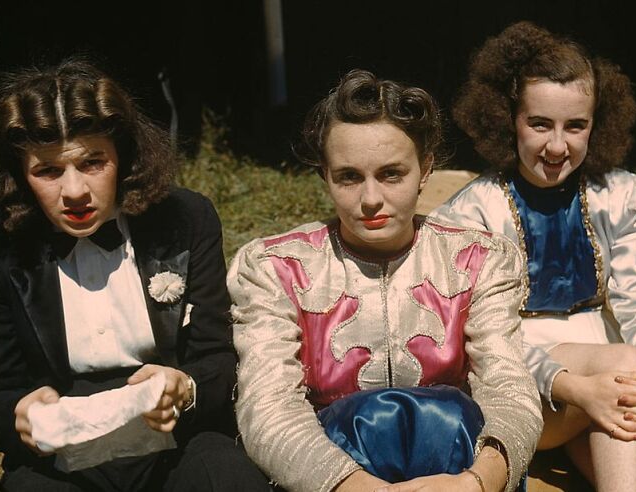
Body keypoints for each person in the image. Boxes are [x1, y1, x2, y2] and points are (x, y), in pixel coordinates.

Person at [227, 69, 542, 492]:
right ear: (325, 176)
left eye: (392, 174)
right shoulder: (276, 267)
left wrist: (476, 482)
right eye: (349, 177)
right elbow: (267, 407)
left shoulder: (479, 259)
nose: (371, 198)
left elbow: (510, 390)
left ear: (425, 169)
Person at [431, 21, 636, 492]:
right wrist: (576, 387)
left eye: (576, 126)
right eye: (539, 124)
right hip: (519, 375)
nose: (557, 146)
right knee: (624, 369)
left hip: (615, 374)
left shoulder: (622, 197)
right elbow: (481, 342)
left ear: (598, 123)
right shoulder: (473, 214)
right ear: (507, 119)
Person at [0, 57, 270, 491]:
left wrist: (187, 388)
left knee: (229, 480)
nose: (74, 192)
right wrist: (19, 415)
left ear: (123, 155)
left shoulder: (184, 218)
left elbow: (218, 354)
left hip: (175, 436)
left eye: (92, 163)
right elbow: (1, 386)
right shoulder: (3, 245)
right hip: (62, 453)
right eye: (47, 170)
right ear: (19, 175)